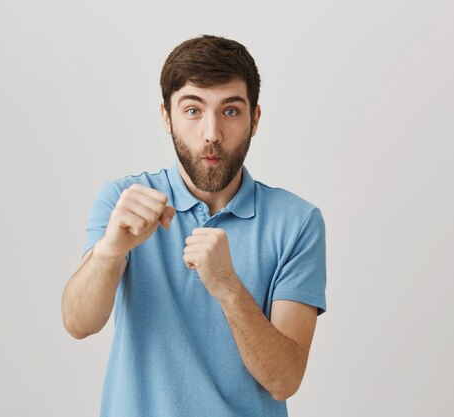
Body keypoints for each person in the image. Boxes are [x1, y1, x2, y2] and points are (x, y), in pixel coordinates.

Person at [61, 34, 327, 417]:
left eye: (231, 111)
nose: (212, 134)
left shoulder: (297, 222)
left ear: (255, 119)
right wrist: (110, 251)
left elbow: (284, 380)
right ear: (166, 116)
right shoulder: (125, 201)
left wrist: (228, 288)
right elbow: (78, 323)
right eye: (192, 110)